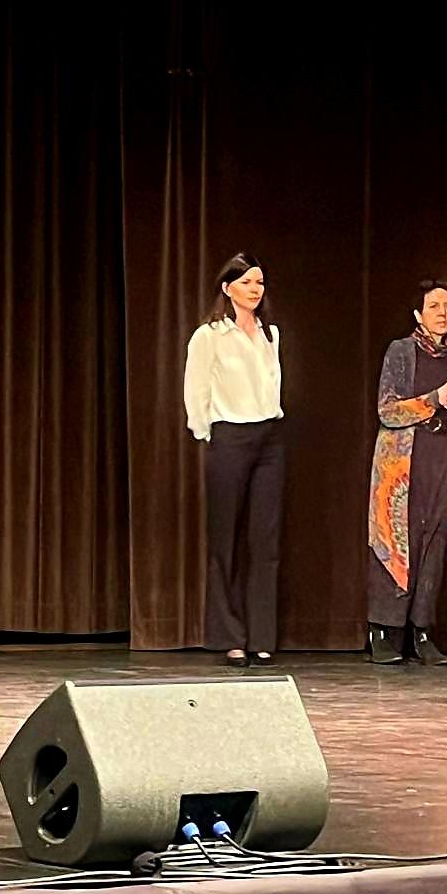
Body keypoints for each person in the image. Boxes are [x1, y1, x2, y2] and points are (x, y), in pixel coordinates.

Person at [184, 254, 284, 669]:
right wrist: (208, 434)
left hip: (269, 438)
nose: (255, 289)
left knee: (264, 541)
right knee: (225, 539)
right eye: (246, 282)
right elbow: (195, 390)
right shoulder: (209, 336)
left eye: (259, 282)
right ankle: (231, 637)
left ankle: (261, 637)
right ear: (227, 288)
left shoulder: (270, 333)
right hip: (229, 437)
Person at [367, 279, 447, 665]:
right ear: (418, 314)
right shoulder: (402, 351)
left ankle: (422, 630)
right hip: (404, 464)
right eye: (434, 307)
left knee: (435, 539)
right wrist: (434, 399)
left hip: (443, 458)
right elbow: (387, 409)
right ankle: (384, 631)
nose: (443, 313)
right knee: (399, 540)